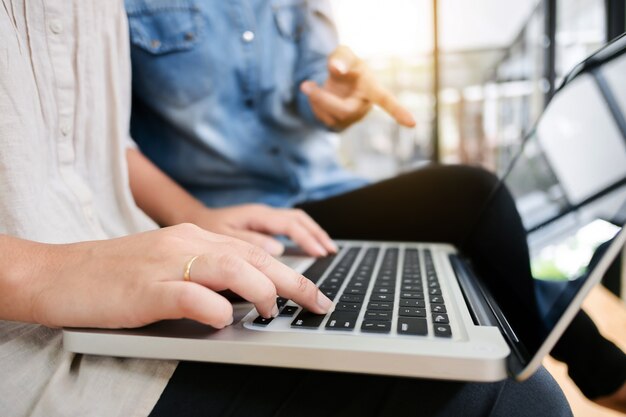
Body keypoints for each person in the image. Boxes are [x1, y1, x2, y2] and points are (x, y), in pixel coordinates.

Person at [0, 2, 573, 417]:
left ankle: (595, 358)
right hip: (59, 310)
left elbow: (99, 138)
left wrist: (337, 102)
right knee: (515, 386)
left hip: (257, 214)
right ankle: (599, 359)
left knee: (471, 210)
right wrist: (47, 269)